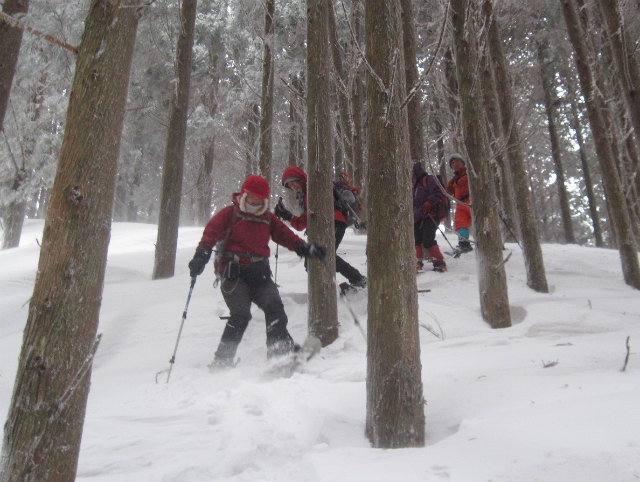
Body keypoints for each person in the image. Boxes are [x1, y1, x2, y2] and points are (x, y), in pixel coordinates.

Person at [188, 175, 326, 368]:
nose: (255, 201)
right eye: (252, 197)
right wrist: (200, 256)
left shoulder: (267, 218)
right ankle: (222, 360)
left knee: (275, 309)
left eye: (260, 198)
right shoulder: (230, 214)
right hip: (234, 275)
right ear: (244, 194)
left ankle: (280, 353)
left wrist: (306, 248)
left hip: (259, 273)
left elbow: (287, 237)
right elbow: (209, 235)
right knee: (241, 315)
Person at [274, 165, 367, 289]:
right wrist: (287, 215)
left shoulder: (312, 188)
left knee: (323, 256)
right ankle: (344, 285)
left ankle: (356, 280)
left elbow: (308, 217)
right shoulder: (306, 192)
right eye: (290, 186)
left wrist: (287, 216)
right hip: (330, 223)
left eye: (293, 182)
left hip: (334, 222)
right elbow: (305, 221)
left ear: (299, 178)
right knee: (316, 258)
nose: (293, 187)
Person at [412, 161, 447, 273]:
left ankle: (439, 263)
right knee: (416, 240)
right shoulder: (414, 186)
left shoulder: (428, 180)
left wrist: (429, 202)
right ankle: (417, 261)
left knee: (428, 240)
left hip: (432, 214)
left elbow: (439, 193)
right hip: (418, 216)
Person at [446, 153, 473, 254]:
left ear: (462, 162)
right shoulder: (454, 180)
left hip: (471, 201)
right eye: (452, 163)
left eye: (457, 161)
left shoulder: (469, 173)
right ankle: (464, 244)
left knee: (479, 221)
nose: (455, 164)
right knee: (460, 223)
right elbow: (448, 191)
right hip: (461, 203)